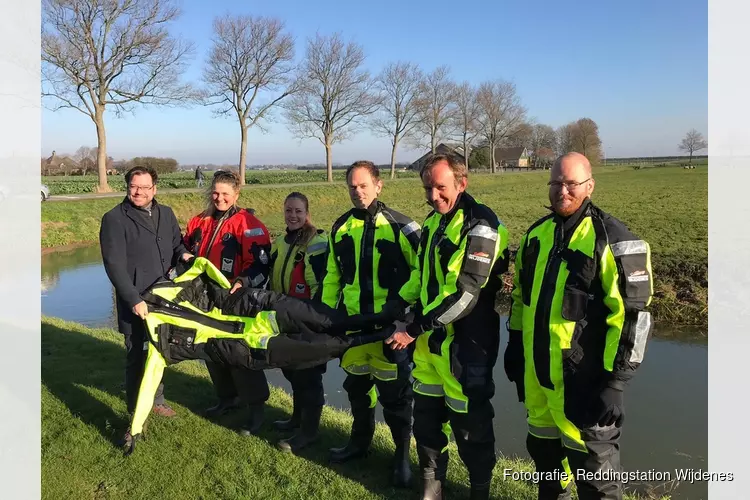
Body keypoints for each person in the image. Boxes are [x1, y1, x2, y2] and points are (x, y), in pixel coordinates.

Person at [125, 256, 404, 456]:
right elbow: (149, 383)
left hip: (260, 307)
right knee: (324, 347)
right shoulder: (158, 340)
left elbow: (201, 264)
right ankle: (380, 334)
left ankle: (382, 319)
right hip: (253, 348)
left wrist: (228, 284)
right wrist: (135, 429)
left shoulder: (168, 289)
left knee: (328, 321)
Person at [505, 152, 654, 500]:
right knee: (546, 466)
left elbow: (634, 316)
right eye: (556, 182)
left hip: (584, 385)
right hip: (540, 382)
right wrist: (513, 343)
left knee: (596, 483)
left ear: (589, 186)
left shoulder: (612, 239)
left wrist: (616, 382)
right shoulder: (536, 236)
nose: (562, 190)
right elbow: (520, 299)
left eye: (571, 183)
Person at [386, 154, 510, 500]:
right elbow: (421, 276)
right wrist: (397, 304)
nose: (433, 195)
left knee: (472, 430)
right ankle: (431, 486)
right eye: (428, 187)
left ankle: (478, 491)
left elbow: (465, 294)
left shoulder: (481, 226)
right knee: (426, 422)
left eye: (441, 187)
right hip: (429, 347)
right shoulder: (433, 222)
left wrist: (412, 329)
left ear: (461, 183)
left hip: (466, 348)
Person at [319, 160, 421, 487]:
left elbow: (422, 272)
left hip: (390, 330)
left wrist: (399, 306)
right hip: (352, 329)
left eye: (364, 185)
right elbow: (334, 275)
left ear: (378, 185)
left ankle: (401, 457)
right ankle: (358, 443)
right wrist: (326, 316)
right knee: (357, 389)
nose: (358, 192)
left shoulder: (404, 227)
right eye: (352, 186)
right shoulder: (341, 227)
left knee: (396, 397)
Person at [99, 165, 193, 427]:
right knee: (136, 354)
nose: (138, 192)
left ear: (155, 188)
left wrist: (184, 255)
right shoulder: (114, 219)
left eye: (144, 187)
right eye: (133, 186)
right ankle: (135, 404)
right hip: (136, 301)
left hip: (163, 298)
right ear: (127, 187)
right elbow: (114, 266)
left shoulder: (166, 213)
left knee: (159, 350)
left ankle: (157, 400)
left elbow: (176, 245)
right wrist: (133, 299)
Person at [183, 169, 272, 436]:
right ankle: (226, 398)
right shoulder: (199, 221)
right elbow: (184, 249)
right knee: (211, 349)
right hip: (203, 298)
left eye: (225, 194)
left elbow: (260, 265)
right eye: (215, 193)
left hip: (235, 299)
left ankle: (256, 410)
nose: (219, 198)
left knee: (240, 353)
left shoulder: (249, 224)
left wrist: (243, 282)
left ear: (236, 194)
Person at [268, 192, 330, 454]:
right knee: (292, 371)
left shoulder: (316, 242)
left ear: (307, 214)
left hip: (309, 320)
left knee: (309, 376)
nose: (293, 216)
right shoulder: (280, 242)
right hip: (285, 318)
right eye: (288, 211)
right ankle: (296, 418)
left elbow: (325, 284)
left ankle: (308, 432)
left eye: (298, 211)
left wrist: (316, 320)